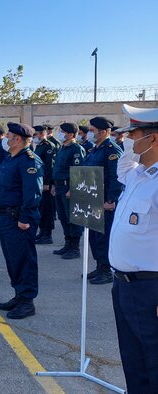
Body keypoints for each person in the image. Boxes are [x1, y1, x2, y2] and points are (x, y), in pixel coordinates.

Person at [107, 104, 158, 393]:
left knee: (153, 361)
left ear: (152, 138)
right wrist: (129, 147)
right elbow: (123, 167)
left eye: (133, 134)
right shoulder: (139, 174)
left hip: (150, 289)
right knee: (133, 359)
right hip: (124, 286)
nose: (127, 139)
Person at [0, 122, 43, 319]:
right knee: (13, 259)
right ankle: (19, 295)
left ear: (18, 139)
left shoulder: (29, 161)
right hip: (5, 217)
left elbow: (33, 193)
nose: (5, 139)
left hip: (18, 219)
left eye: (9, 136)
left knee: (23, 260)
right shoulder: (11, 158)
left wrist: (25, 218)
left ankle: (27, 301)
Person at [83, 116, 123, 285]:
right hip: (93, 198)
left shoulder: (111, 150)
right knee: (94, 236)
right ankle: (99, 265)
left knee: (103, 237)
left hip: (105, 201)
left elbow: (116, 177)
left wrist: (110, 199)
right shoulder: (95, 149)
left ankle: (106, 270)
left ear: (104, 132)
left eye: (92, 130)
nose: (89, 133)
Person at [51, 122, 86, 260]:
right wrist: (54, 185)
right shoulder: (62, 148)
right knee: (63, 217)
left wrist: (73, 188)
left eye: (63, 131)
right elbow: (57, 168)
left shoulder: (76, 149)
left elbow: (79, 171)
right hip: (59, 186)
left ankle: (75, 247)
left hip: (68, 187)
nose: (60, 134)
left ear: (71, 134)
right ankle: (67, 244)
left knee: (73, 218)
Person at [32, 125, 57, 245]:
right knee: (41, 209)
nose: (34, 137)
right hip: (40, 182)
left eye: (35, 134)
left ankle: (47, 234)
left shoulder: (48, 146)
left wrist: (47, 183)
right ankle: (42, 232)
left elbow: (49, 166)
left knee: (47, 209)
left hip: (46, 184)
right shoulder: (40, 146)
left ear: (42, 134)